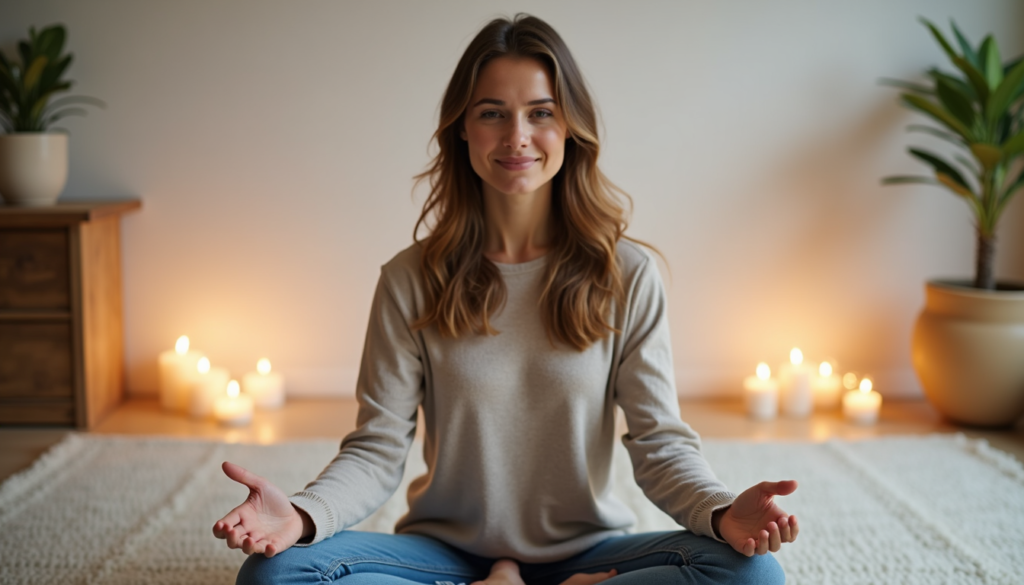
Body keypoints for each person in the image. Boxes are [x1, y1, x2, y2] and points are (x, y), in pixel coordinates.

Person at [214, 13, 798, 585]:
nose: (517, 136)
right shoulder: (409, 278)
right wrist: (304, 512)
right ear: (462, 127)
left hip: (590, 553)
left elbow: (659, 442)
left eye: (540, 113)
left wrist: (721, 513)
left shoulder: (628, 274)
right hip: (443, 554)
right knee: (279, 573)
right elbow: (377, 446)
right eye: (492, 113)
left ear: (569, 126)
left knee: (751, 574)